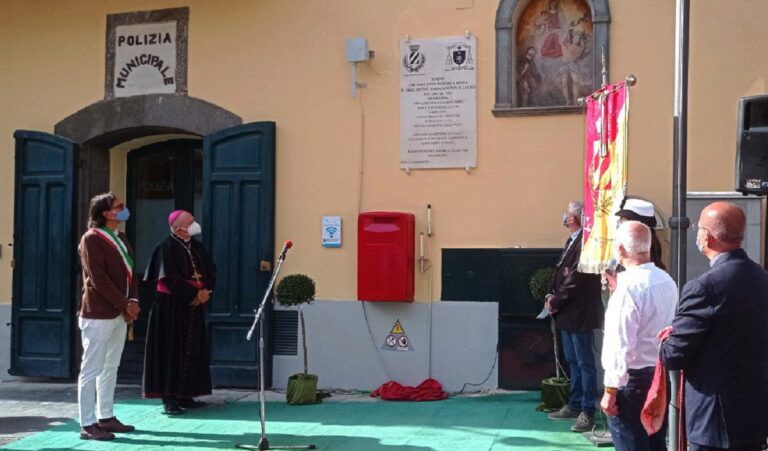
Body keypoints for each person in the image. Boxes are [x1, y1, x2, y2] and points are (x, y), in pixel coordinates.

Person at [660, 201, 768, 451]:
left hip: (713, 419)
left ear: (707, 237)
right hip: (753, 412)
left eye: (698, 227)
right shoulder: (762, 278)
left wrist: (667, 340)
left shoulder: (704, 287)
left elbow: (674, 355)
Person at [600, 221, 677, 451]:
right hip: (659, 375)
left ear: (621, 249)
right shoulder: (666, 280)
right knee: (655, 443)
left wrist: (610, 390)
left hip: (631, 382)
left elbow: (620, 343)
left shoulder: (628, 288)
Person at [77, 192, 140, 441]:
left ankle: (106, 415)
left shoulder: (121, 237)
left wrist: (133, 301)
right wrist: (124, 303)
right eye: (119, 207)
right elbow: (97, 278)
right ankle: (87, 422)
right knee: (91, 368)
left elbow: (131, 272)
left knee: (111, 366)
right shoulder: (91, 239)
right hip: (98, 313)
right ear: (106, 213)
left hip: (120, 312)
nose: (124, 210)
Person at [142, 210, 216, 415]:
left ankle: (186, 394)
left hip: (194, 308)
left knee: (192, 351)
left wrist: (205, 291)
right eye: (191, 222)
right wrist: (194, 294)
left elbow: (211, 272)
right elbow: (168, 279)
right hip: (171, 309)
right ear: (178, 228)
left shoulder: (198, 247)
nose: (195, 224)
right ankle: (169, 398)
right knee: (171, 353)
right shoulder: (165, 248)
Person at [546, 200, 604, 432]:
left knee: (584, 362)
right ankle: (574, 403)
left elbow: (575, 279)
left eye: (568, 214)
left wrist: (556, 300)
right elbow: (562, 272)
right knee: (573, 360)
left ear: (575, 218)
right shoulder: (573, 241)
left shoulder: (585, 242)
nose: (565, 218)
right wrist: (551, 294)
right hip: (568, 313)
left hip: (579, 313)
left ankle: (587, 411)